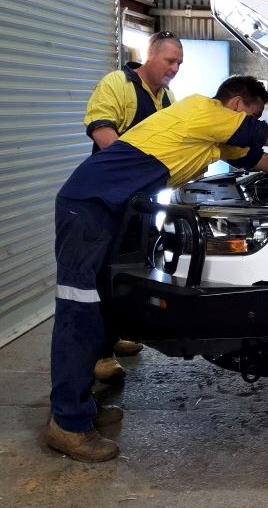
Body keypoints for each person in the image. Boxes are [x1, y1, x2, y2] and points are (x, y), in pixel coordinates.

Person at [47, 76, 268, 462]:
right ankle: (67, 424)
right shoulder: (204, 110)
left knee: (102, 311)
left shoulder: (214, 136)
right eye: (253, 116)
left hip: (111, 208)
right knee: (79, 313)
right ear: (236, 104)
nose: (253, 128)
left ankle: (80, 409)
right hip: (89, 206)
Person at [84, 31, 184, 382]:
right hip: (108, 197)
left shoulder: (166, 97)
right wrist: (131, 173)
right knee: (103, 275)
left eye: (178, 64)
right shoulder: (118, 84)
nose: (174, 69)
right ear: (150, 55)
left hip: (141, 202)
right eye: (169, 61)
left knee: (129, 272)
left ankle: (116, 333)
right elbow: (102, 132)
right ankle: (99, 354)